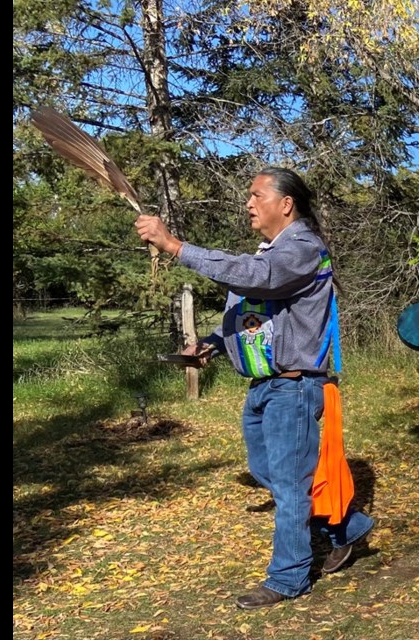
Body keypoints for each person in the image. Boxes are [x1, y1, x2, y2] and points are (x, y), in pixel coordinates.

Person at [135, 167, 374, 609]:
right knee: (267, 471)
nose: (248, 203)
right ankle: (348, 527)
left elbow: (256, 277)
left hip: (294, 386)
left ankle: (288, 578)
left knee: (287, 485)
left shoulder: (302, 248)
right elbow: (255, 314)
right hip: (264, 387)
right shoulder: (271, 251)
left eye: (256, 195)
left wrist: (175, 246)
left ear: (285, 204)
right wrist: (212, 342)